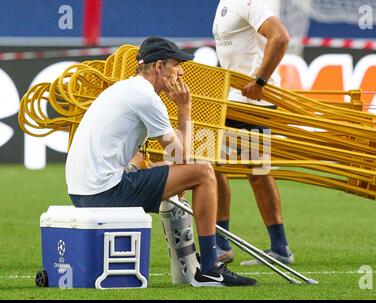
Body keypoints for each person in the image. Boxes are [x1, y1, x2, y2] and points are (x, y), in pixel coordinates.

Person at [65, 36, 256, 287]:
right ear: (158, 67)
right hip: (103, 192)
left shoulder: (125, 89)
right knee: (204, 173)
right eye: (176, 64)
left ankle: (192, 264)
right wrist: (184, 107)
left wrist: (162, 172)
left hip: (82, 192)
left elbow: (147, 158)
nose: (181, 71)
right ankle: (210, 267)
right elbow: (183, 157)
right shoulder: (146, 97)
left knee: (173, 173)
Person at [212, 0, 294, 265]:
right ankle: (279, 248)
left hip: (248, 103)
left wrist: (260, 80)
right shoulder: (226, 3)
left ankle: (221, 244)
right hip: (236, 101)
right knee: (253, 172)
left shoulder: (247, 1)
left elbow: (280, 37)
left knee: (210, 168)